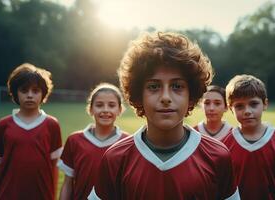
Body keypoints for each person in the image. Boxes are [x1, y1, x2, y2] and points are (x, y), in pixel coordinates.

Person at [88, 32, 240, 200]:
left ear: (191, 95)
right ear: (139, 94)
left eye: (177, 86)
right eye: (154, 86)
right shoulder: (115, 159)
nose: (166, 97)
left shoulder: (218, 156)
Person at [222, 74, 275, 200]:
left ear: (265, 104)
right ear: (230, 108)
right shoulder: (223, 146)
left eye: (253, 104)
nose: (247, 111)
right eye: (239, 106)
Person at [0, 63, 62, 200]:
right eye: (24, 90)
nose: (30, 95)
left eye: (35, 91)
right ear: (15, 93)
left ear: (43, 93)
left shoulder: (52, 125)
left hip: (41, 194)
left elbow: (54, 166)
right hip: (8, 195)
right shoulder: (3, 125)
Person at [58, 83, 129, 200]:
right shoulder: (74, 140)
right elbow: (67, 184)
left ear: (120, 110)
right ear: (90, 109)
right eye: (99, 105)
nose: (105, 110)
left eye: (111, 105)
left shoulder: (127, 143)